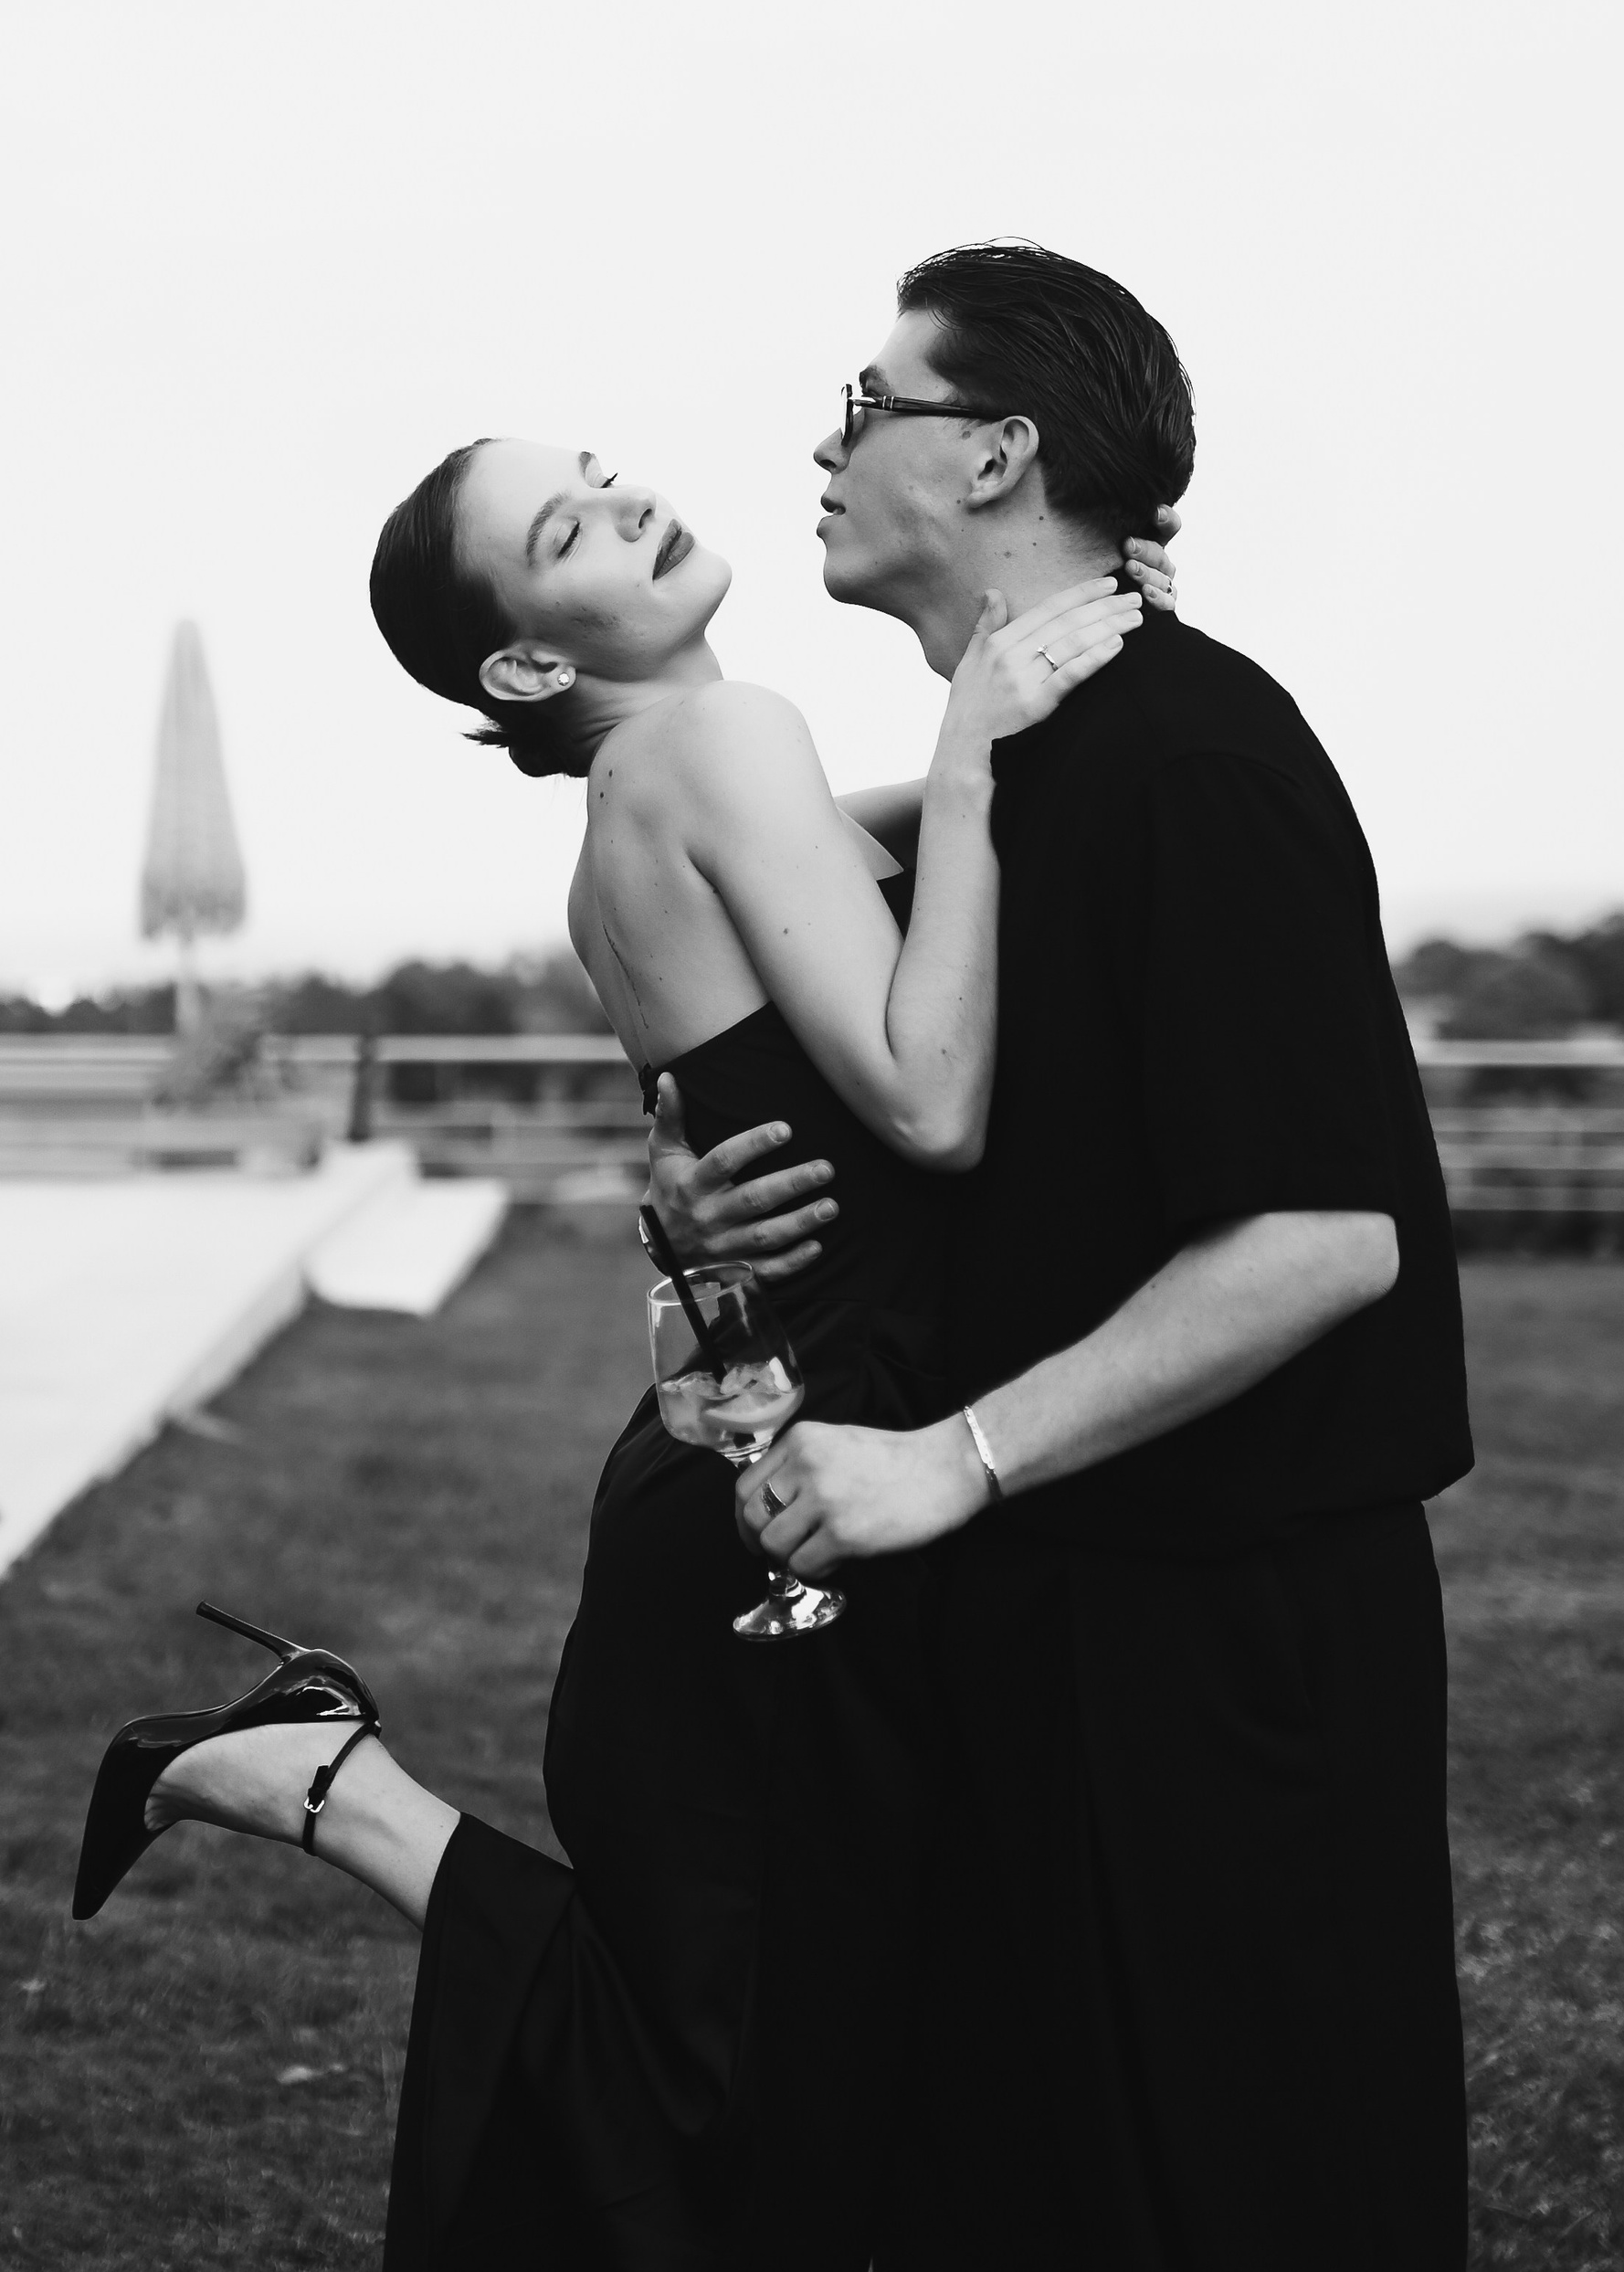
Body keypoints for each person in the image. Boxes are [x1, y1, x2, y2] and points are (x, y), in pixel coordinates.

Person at [71, 424, 1176, 2269]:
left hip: (751, 1477)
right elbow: (931, 1099)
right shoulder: (723, 743)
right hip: (805, 1505)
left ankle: (320, 1771)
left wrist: (1033, 711)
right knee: (756, 2078)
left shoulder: (643, 806)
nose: (633, 497)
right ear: (524, 661)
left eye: (601, 469)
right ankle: (330, 1787)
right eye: (569, 526)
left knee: (775, 2053)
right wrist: (983, 756)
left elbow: (849, 879)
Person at [648, 241, 1475, 2270]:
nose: (824, 449)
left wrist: (956, 1459)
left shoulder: (1194, 756)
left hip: (1224, 1650)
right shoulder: (997, 784)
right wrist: (683, 1216)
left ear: (998, 453)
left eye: (868, 404)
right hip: (1029, 1623)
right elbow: (888, 1131)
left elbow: (1321, 1239)